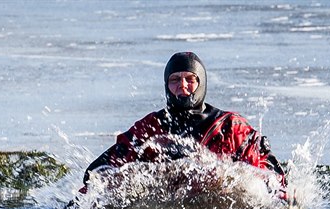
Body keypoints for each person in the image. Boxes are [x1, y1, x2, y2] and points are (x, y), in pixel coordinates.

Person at [81, 52, 286, 198]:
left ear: (201, 82)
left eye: (190, 79)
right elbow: (98, 173)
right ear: (166, 85)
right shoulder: (151, 127)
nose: (183, 85)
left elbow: (270, 175)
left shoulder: (230, 127)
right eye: (175, 79)